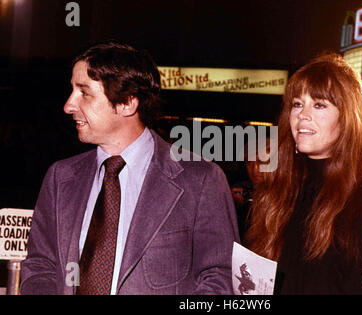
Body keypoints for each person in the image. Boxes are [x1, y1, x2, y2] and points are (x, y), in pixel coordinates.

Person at [20, 41, 239, 295]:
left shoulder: (200, 180)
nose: (68, 105)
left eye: (85, 93)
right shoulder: (61, 177)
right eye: (72, 91)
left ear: (127, 102)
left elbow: (219, 278)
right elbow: (40, 266)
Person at [245, 54, 362, 294]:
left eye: (319, 104)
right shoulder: (282, 190)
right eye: (297, 104)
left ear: (347, 119)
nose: (302, 114)